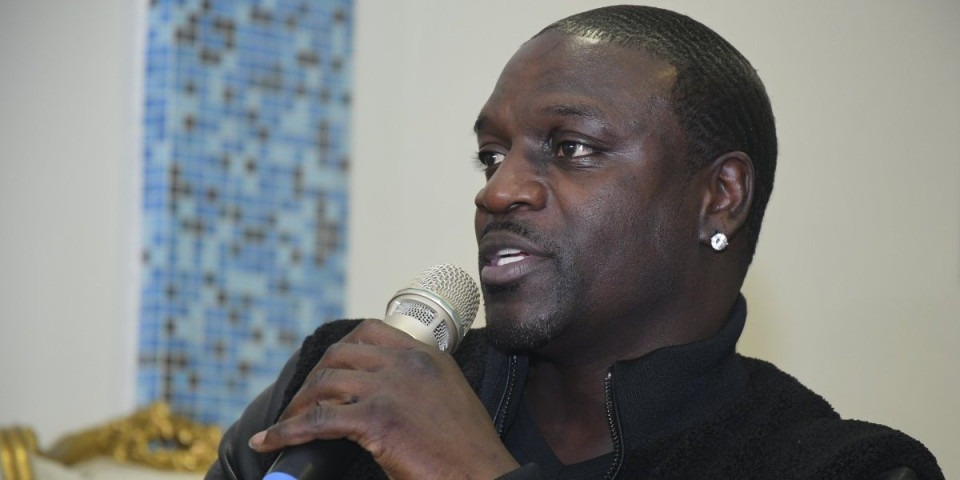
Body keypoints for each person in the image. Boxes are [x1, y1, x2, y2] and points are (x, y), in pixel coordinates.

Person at [206, 5, 943, 479]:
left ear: (719, 196)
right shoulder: (353, 384)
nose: (498, 192)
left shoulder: (841, 467)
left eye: (572, 148)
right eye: (491, 156)